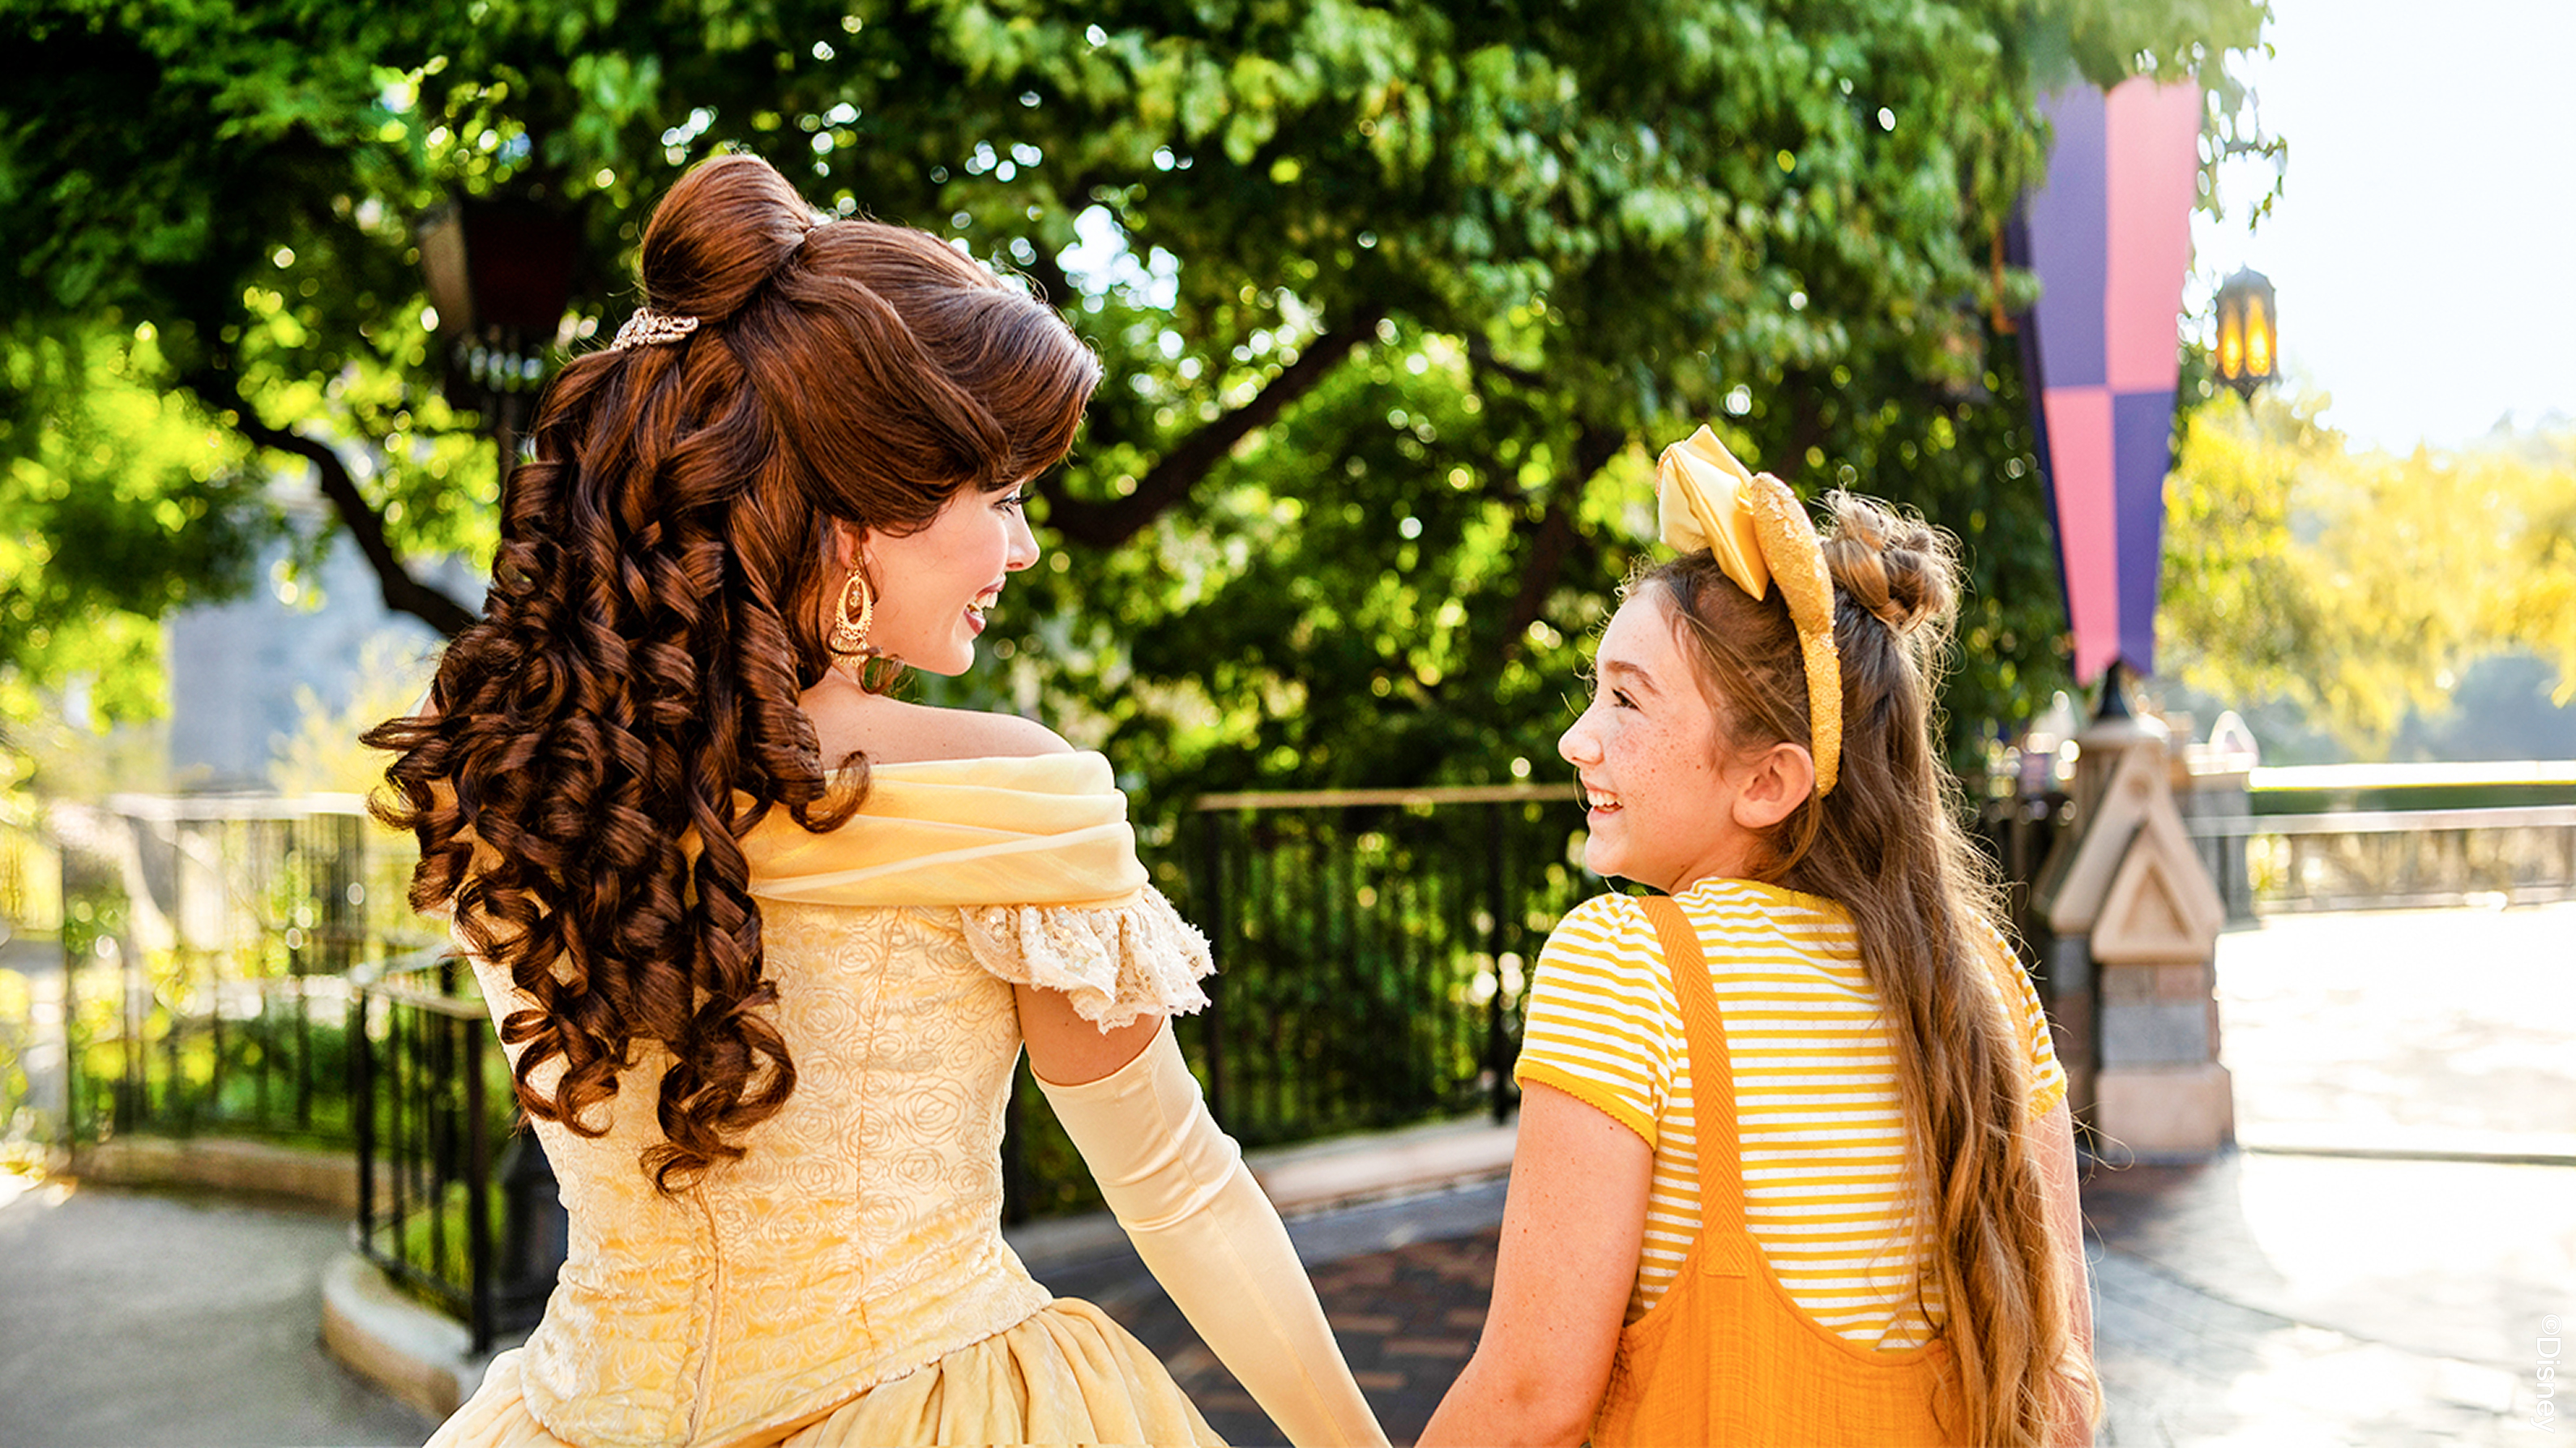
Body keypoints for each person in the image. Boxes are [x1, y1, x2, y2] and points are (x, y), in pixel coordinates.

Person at [368, 152, 1388, 1448]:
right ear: (856, 513)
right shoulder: (1005, 789)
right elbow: (1176, 1187)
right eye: (1002, 498)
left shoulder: (523, 782)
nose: (1021, 547)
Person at [1420, 428, 2099, 1447]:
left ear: (1765, 781)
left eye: (1625, 698)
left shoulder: (1626, 968)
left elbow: (1529, 1400)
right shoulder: (1985, 983)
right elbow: (2063, 1390)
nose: (1577, 737)